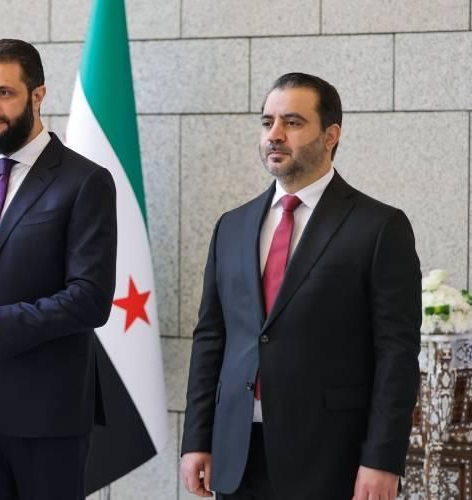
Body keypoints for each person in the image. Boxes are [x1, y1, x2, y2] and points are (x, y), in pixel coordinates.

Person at [179, 73, 421, 500]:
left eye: (292, 122)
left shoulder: (380, 227)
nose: (274, 134)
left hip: (332, 458)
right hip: (238, 453)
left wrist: (383, 459)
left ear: (331, 135)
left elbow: (396, 354)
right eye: (267, 122)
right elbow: (211, 338)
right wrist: (197, 439)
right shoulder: (231, 226)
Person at [0, 39, 118, 500]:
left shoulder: (86, 181)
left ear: (38, 95)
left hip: (48, 416)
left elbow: (89, 299)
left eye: (4, 93)